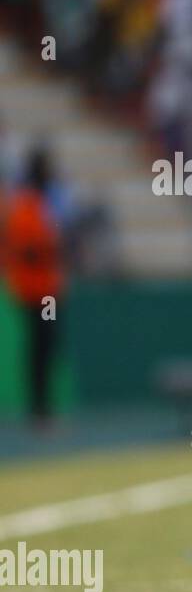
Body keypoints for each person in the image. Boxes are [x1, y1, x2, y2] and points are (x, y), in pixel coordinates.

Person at [2, 147, 63, 425]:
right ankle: (38, 410)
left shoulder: (40, 205)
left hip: (47, 291)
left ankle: (43, 408)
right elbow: (26, 250)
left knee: (46, 347)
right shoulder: (27, 206)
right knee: (40, 347)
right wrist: (48, 248)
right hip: (35, 292)